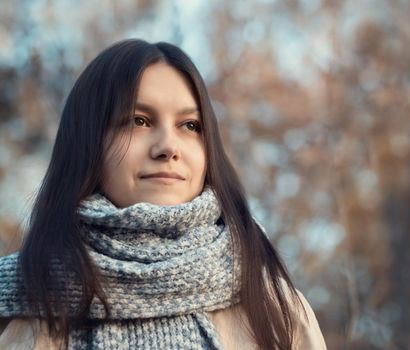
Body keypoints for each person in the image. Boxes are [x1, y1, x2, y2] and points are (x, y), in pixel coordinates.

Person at [0, 39, 326, 349]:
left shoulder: (275, 310)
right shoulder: (20, 304)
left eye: (190, 126)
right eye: (139, 121)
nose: (168, 147)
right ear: (88, 143)